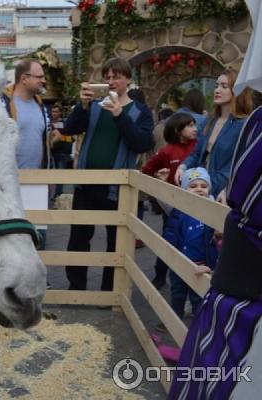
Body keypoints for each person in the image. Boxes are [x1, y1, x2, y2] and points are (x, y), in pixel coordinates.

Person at [170, 0, 262, 395]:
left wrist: (215, 185)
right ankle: (176, 310)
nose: (222, 89)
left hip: (243, 282)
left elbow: (232, 174)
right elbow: (200, 156)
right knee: (187, 254)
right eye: (219, 86)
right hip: (221, 224)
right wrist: (185, 172)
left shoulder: (246, 124)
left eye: (225, 85)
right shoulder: (210, 123)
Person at [64, 57, 154, 291]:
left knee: (115, 243)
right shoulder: (93, 106)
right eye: (108, 76)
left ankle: (109, 292)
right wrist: (82, 106)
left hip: (117, 188)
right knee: (78, 239)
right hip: (86, 184)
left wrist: (119, 115)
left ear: (128, 80)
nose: (111, 81)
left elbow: (142, 143)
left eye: (116, 77)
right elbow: (70, 128)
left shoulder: (140, 111)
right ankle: (76, 288)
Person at [142, 112, 199, 289]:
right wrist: (160, 183)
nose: (194, 129)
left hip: (197, 204)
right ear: (177, 129)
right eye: (189, 125)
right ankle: (160, 275)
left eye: (194, 125)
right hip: (173, 206)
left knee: (194, 241)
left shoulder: (198, 147)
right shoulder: (166, 151)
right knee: (169, 240)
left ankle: (189, 280)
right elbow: (147, 169)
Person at [175, 70, 252, 198]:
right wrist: (183, 166)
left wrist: (209, 184)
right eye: (216, 85)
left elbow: (239, 166)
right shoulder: (210, 120)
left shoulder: (244, 125)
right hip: (201, 188)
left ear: (237, 90)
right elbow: (197, 152)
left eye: (224, 86)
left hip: (222, 193)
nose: (217, 90)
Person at [1, 59, 50, 250]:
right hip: (11, 184)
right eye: (39, 77)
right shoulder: (4, 103)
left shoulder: (40, 104)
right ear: (24, 78)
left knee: (39, 237)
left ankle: (38, 279)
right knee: (11, 239)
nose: (43, 81)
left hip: (38, 183)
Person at [162, 168, 218, 326]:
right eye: (193, 186)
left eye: (203, 185)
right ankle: (174, 321)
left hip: (200, 267)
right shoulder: (179, 210)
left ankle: (198, 327)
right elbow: (164, 200)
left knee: (198, 298)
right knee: (177, 294)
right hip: (179, 263)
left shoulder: (213, 211)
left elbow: (219, 239)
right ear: (184, 190)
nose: (199, 189)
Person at [49, 102, 72, 197]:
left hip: (62, 152)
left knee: (60, 173)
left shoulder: (65, 123)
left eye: (56, 111)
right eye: (52, 111)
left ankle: (58, 195)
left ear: (60, 113)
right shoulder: (48, 123)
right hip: (51, 152)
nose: (53, 113)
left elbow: (70, 137)